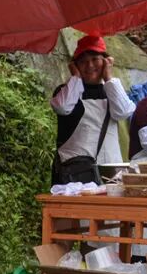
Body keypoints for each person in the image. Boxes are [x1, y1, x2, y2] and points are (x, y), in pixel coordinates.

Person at [50, 35, 136, 184]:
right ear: (75, 65)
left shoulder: (112, 90)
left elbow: (123, 112)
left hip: (110, 170)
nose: (90, 66)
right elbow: (62, 107)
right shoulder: (67, 91)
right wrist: (76, 77)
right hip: (75, 174)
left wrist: (109, 78)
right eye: (83, 61)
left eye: (95, 59)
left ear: (106, 61)